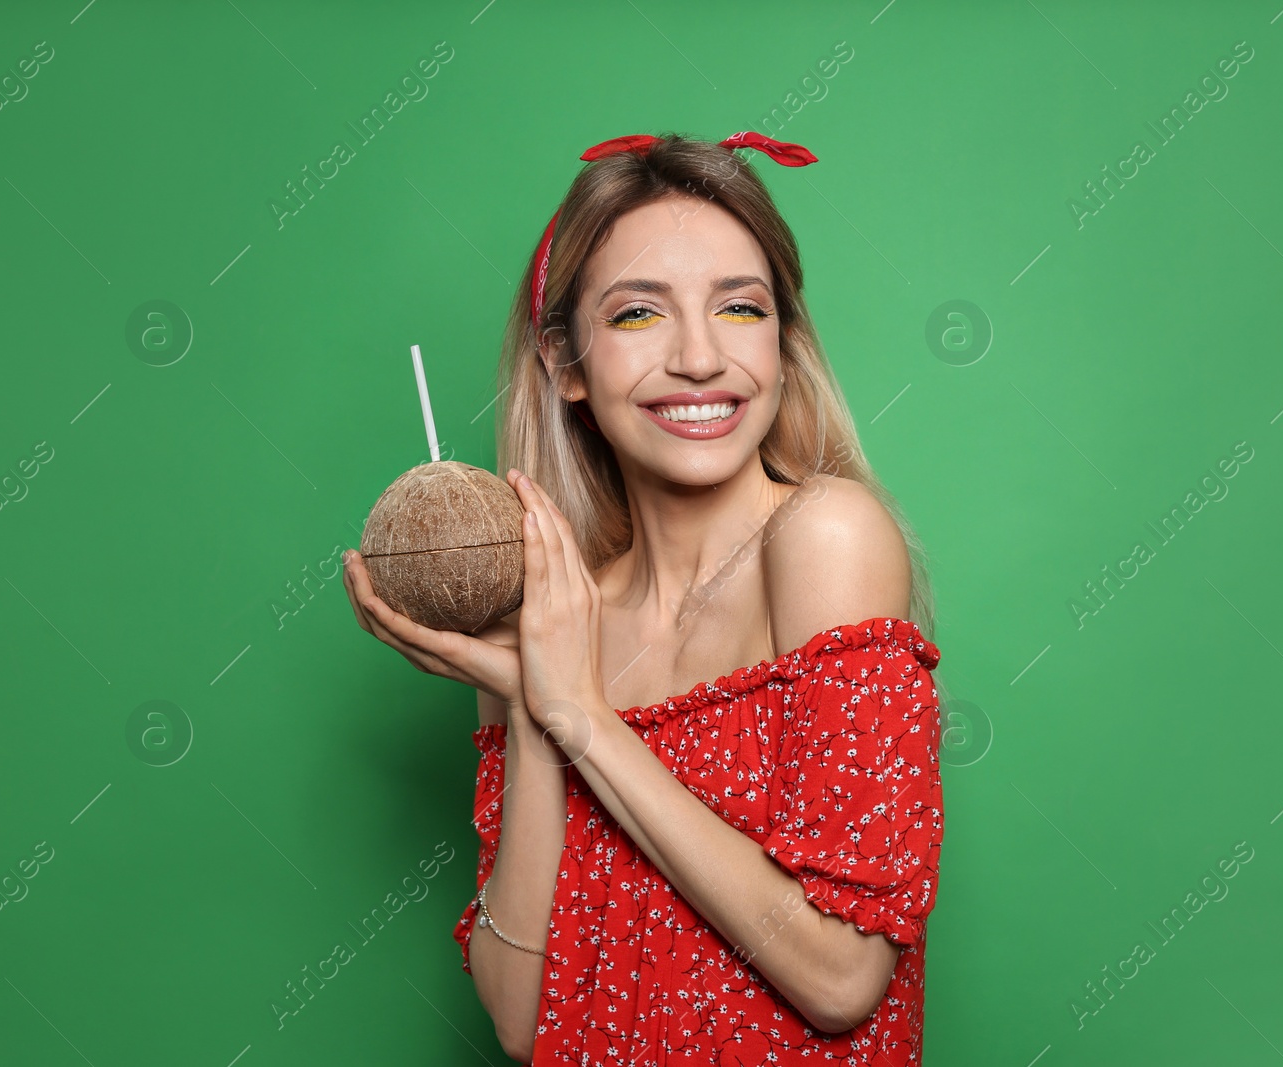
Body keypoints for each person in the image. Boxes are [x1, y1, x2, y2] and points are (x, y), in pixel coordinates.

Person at [341, 131, 945, 1065]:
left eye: (740, 308)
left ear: (782, 342)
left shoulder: (826, 538)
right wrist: (539, 713)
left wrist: (581, 713)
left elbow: (840, 979)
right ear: (566, 363)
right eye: (638, 315)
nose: (702, 358)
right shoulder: (547, 614)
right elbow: (517, 1016)